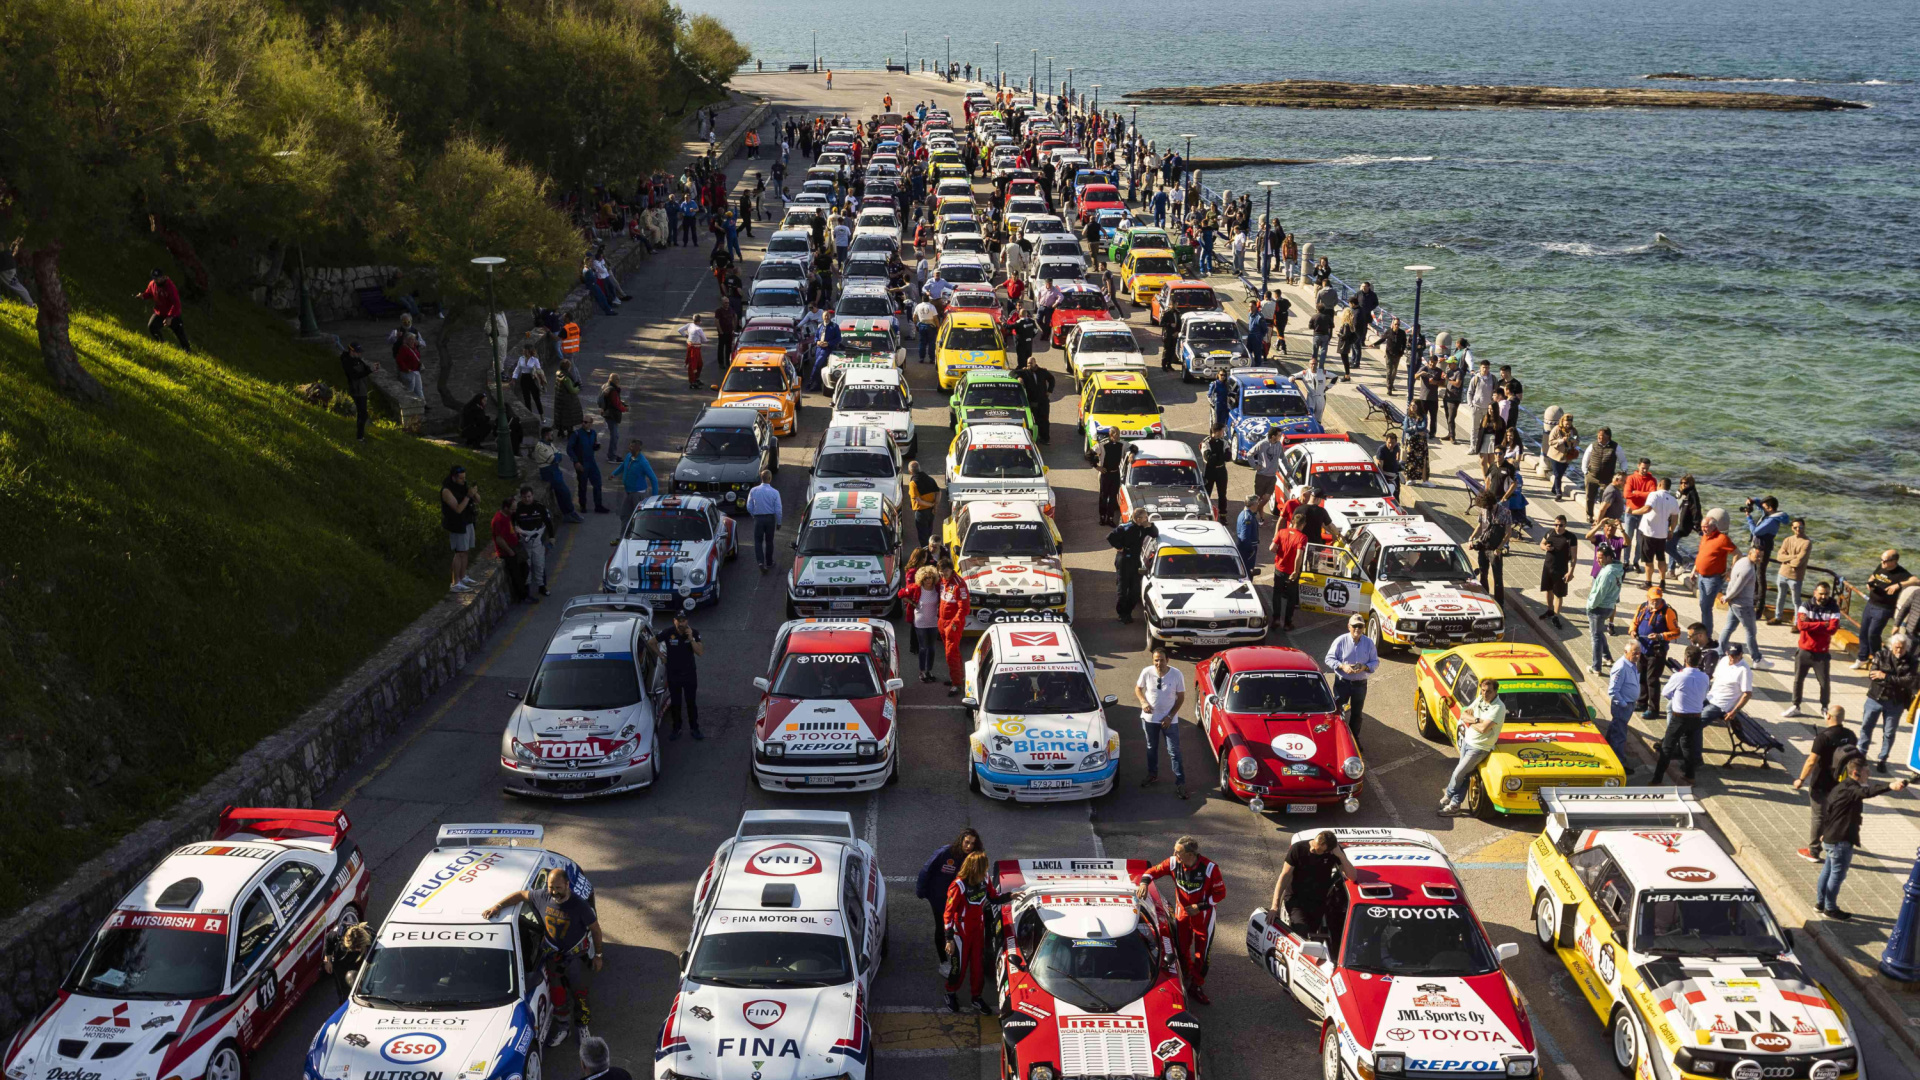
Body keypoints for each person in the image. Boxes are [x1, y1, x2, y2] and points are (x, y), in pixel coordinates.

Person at [481, 867, 603, 1044]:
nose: (554, 892)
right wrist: (498, 906)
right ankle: (563, 1028)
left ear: (567, 884)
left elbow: (596, 930)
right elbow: (520, 895)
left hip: (576, 958)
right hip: (554, 957)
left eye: (558, 888)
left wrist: (598, 954)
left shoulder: (580, 906)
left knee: (580, 994)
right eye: (551, 887)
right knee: (558, 995)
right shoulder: (542, 896)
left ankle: (583, 1027)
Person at [1814, 755, 1910, 920]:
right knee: (1836, 876)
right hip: (1840, 841)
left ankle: (1820, 903)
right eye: (1866, 771)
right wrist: (1889, 786)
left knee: (1827, 872)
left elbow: (1829, 811)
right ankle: (1830, 908)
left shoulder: (1840, 787)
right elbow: (1867, 792)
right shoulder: (1852, 790)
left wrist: (1824, 832)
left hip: (1830, 837)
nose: (1869, 773)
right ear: (1856, 773)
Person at [1135, 837, 1226, 1004]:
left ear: (1190, 854)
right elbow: (1151, 872)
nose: (1174, 854)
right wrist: (1144, 884)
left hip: (1203, 917)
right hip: (1182, 915)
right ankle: (1185, 973)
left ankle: (1196, 985)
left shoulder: (1210, 868)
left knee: (1202, 955)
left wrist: (1200, 906)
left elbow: (1220, 894)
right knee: (1181, 948)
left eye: (1178, 852)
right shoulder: (1172, 863)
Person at [1795, 705, 1857, 863]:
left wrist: (1801, 779)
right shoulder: (1851, 735)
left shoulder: (1823, 737)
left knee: (1819, 816)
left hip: (1821, 782)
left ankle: (1813, 851)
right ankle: (1836, 841)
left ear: (1828, 716)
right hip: (1841, 783)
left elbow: (1811, 761)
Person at [917, 828, 983, 974]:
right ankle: (943, 962)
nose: (969, 846)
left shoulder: (974, 856)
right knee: (942, 927)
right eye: (967, 842)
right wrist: (921, 890)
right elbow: (926, 870)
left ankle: (959, 953)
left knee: (959, 925)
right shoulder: (945, 852)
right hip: (939, 897)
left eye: (972, 844)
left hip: (959, 898)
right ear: (961, 840)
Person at [1269, 830, 1354, 938]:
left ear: (1328, 851)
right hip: (1296, 900)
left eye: (1316, 850)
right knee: (1302, 933)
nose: (1312, 849)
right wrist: (1275, 906)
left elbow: (1352, 876)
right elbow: (1284, 876)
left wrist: (1341, 856)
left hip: (1318, 902)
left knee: (1312, 935)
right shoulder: (1298, 849)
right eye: (1313, 844)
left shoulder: (1333, 853)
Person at [1441, 677, 1506, 815]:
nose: (1484, 694)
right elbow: (1464, 715)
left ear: (1495, 691)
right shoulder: (1481, 699)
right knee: (1464, 775)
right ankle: (1455, 806)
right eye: (1483, 690)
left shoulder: (1498, 708)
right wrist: (1477, 720)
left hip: (1479, 748)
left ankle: (1449, 795)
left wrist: (1471, 721)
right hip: (1468, 741)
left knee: (1459, 772)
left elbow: (1483, 729)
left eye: (1488, 691)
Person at [1649, 646, 1710, 783]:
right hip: (1696, 717)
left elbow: (1665, 693)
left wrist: (1676, 698)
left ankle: (1657, 779)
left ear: (1685, 659)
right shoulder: (1704, 677)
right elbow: (1704, 694)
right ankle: (1690, 776)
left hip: (1680, 717)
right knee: (1688, 747)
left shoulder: (1678, 677)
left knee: (1667, 748)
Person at [942, 852, 994, 1014]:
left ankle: (976, 997)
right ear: (974, 868)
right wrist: (949, 939)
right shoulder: (958, 886)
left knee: (978, 968)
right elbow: (948, 914)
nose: (986, 871)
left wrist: (1011, 896)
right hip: (961, 934)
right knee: (959, 968)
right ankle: (950, 992)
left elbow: (994, 897)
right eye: (983, 868)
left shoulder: (985, 879)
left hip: (978, 931)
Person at [1134, 646, 1188, 798]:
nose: (1159, 663)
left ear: (1167, 660)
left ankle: (1180, 783)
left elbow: (1181, 697)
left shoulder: (1176, 674)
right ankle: (1152, 775)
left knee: (1174, 752)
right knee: (1151, 748)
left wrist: (1170, 716)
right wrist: (1143, 702)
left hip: (1169, 721)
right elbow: (1138, 689)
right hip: (1150, 719)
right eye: (1156, 660)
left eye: (1162, 660)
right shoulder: (1146, 672)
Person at [1859, 633, 1918, 773]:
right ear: (1891, 646)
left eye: (1902, 648)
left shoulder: (1912, 661)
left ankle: (1883, 759)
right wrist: (1896, 681)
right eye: (1897, 647)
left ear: (1907, 647)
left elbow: (1909, 681)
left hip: (1895, 702)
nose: (1899, 650)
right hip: (1875, 698)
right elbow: (1872, 676)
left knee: (1889, 732)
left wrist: (1885, 676)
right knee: (1866, 727)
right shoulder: (1880, 655)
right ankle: (1861, 754)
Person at [1784, 581, 1842, 717]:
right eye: (1821, 594)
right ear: (1815, 592)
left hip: (1822, 653)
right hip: (1804, 650)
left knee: (1824, 682)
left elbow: (1832, 629)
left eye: (1826, 594)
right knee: (1798, 680)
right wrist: (1823, 624)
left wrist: (1812, 625)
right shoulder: (1806, 606)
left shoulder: (1834, 608)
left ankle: (1824, 707)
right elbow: (1801, 626)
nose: (1823, 597)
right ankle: (1796, 705)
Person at [1325, 615, 1379, 742]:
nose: (1357, 629)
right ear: (1349, 626)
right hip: (1342, 683)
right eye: (1354, 626)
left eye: (1360, 626)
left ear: (1364, 628)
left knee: (1357, 714)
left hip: (1360, 685)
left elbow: (1375, 662)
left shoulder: (1369, 643)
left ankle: (1354, 740)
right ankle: (1337, 738)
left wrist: (1365, 667)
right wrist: (1342, 666)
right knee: (1338, 712)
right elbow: (1329, 659)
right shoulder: (1340, 641)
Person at [651, 613, 705, 740]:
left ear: (687, 621)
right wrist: (661, 656)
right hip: (674, 674)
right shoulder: (668, 632)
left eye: (683, 620)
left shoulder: (694, 633)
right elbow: (651, 642)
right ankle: (676, 728)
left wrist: (691, 638)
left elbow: (700, 652)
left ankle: (694, 728)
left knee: (691, 702)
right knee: (676, 702)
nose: (681, 623)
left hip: (689, 674)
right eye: (679, 621)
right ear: (674, 621)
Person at [1855, 550, 1911, 668]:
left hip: (1883, 608)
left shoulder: (1901, 573)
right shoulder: (1881, 566)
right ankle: (1862, 658)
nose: (1882, 563)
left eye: (1885, 561)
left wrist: (1898, 585)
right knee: (1863, 631)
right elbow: (1873, 576)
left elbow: (1916, 581)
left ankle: (1878, 659)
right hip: (1871, 603)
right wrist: (1870, 583)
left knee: (1873, 634)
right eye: (1881, 560)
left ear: (1894, 561)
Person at [1718, 546, 1766, 665]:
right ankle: (1757, 659)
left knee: (1729, 628)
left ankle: (1720, 653)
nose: (1759, 558)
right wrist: (1727, 597)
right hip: (1743, 606)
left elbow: (1732, 581)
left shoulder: (1741, 561)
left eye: (1761, 556)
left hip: (1734, 603)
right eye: (1757, 556)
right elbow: (1737, 587)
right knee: (1751, 632)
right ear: (1750, 553)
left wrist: (1728, 597)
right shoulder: (1748, 569)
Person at [1109, 509, 1158, 623]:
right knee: (1123, 589)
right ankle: (1122, 614)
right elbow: (1111, 537)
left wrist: (1150, 525)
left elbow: (1155, 534)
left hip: (1135, 560)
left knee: (1135, 590)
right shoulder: (1125, 527)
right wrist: (1120, 547)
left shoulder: (1144, 527)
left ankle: (1128, 612)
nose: (1147, 519)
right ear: (1138, 519)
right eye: (1145, 517)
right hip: (1124, 560)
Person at [899, 566, 944, 681]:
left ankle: (929, 671)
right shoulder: (916, 588)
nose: (928, 580)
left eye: (930, 578)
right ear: (921, 579)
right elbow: (901, 594)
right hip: (920, 623)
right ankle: (922, 672)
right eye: (925, 578)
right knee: (923, 647)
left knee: (932, 648)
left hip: (934, 622)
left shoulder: (937, 588)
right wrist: (913, 603)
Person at [1603, 641, 1642, 773]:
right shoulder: (1621, 667)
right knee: (1620, 735)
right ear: (1626, 652)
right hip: (1622, 706)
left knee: (1616, 728)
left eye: (1639, 653)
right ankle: (1619, 764)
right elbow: (1613, 691)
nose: (1637, 656)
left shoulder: (1632, 664)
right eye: (1634, 653)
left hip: (1629, 703)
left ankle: (1606, 749)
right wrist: (1624, 704)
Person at [509, 486, 555, 598]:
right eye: (524, 497)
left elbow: (548, 522)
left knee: (540, 564)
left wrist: (552, 537)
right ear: (521, 497)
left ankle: (542, 586)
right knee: (526, 567)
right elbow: (512, 525)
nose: (527, 499)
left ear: (532, 495)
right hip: (524, 543)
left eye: (529, 496)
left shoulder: (540, 507)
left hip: (537, 541)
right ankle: (526, 589)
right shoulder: (517, 509)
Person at [1693, 515, 1736, 628]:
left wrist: (1730, 570)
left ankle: (1707, 633)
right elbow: (1701, 554)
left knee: (1706, 607)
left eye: (1706, 527)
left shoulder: (1723, 539)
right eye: (1702, 526)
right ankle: (1704, 629)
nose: (1703, 529)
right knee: (1703, 605)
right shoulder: (1705, 536)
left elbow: (1737, 554)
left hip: (1713, 578)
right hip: (1701, 576)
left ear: (1714, 526)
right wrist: (1694, 570)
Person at [441, 465, 480, 592]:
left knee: (466, 551)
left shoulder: (463, 486)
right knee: (459, 553)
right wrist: (468, 496)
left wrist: (474, 493)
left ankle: (463, 576)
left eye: (464, 478)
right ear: (453, 477)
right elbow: (457, 509)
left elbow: (478, 500)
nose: (463, 480)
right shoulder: (447, 491)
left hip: (468, 521)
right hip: (457, 525)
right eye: (461, 478)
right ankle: (455, 582)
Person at [1587, 546, 1625, 674]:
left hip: (1599, 608)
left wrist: (1591, 605)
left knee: (1595, 637)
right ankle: (1607, 657)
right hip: (1609, 607)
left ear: (1609, 557)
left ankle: (1596, 667)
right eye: (1597, 557)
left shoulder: (1607, 573)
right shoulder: (1617, 569)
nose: (1597, 560)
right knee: (1599, 633)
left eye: (1600, 558)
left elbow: (1600, 593)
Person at [1537, 515, 1579, 628]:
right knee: (1548, 590)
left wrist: (1571, 572)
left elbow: (1574, 557)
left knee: (1559, 594)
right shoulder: (1550, 533)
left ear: (1565, 525)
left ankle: (1556, 616)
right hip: (1548, 566)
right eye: (1556, 524)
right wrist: (1545, 548)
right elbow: (1541, 544)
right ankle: (1550, 610)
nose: (1558, 527)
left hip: (1561, 569)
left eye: (1560, 525)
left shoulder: (1571, 537)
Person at [1638, 477, 1680, 588]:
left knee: (1648, 560)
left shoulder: (1654, 495)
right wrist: (1671, 530)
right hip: (1662, 534)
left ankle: (1648, 582)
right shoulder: (1673, 500)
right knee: (1661, 558)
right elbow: (1675, 518)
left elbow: (1647, 508)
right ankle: (1662, 582)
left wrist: (1633, 511)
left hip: (1649, 532)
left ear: (1660, 484)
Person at [936, 561, 971, 694]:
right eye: (941, 572)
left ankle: (957, 684)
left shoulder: (959, 584)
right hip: (942, 621)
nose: (943, 574)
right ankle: (958, 678)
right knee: (952, 652)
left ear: (951, 569)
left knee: (951, 654)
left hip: (953, 624)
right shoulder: (941, 581)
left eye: (946, 571)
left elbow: (964, 608)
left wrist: (954, 624)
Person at [137, 269, 191, 351]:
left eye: (157, 278)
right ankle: (161, 344)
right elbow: (149, 293)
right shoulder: (152, 284)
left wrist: (170, 317)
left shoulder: (170, 287)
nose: (155, 280)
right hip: (160, 313)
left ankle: (187, 351)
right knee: (152, 327)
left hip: (173, 315)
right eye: (154, 278)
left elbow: (176, 304)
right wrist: (143, 296)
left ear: (163, 277)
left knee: (180, 335)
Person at [1771, 518, 1812, 624]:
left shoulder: (1807, 542)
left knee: (1796, 601)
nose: (1798, 529)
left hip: (1795, 577)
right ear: (1792, 528)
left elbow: (1797, 563)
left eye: (1800, 527)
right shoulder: (1787, 540)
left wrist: (1786, 559)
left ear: (1804, 527)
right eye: (1795, 527)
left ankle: (1797, 623)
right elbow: (1779, 557)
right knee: (1780, 597)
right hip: (1782, 574)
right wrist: (1793, 557)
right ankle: (1778, 617)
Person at [489, 496, 530, 602]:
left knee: (525, 569)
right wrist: (509, 551)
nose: (514, 511)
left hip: (515, 546)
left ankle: (522, 592)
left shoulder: (507, 515)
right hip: (508, 551)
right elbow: (499, 539)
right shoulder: (498, 520)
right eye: (512, 509)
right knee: (516, 574)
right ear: (506, 508)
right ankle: (522, 596)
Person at [321, 920, 372, 1003]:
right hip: (341, 962)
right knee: (343, 989)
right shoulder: (339, 932)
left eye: (359, 948)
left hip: (360, 962)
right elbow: (328, 939)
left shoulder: (371, 935)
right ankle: (344, 1002)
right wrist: (327, 961)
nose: (358, 950)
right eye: (355, 948)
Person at [1271, 518, 1307, 632]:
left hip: (1279, 568)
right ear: (1302, 524)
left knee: (1277, 594)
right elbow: (1299, 556)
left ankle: (1276, 619)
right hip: (1291, 572)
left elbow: (1271, 548)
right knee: (1291, 597)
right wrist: (1296, 571)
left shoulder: (1282, 532)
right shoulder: (1302, 537)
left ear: (1292, 522)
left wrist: (1281, 553)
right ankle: (1287, 623)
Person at [567, 422, 609, 514]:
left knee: (597, 483)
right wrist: (576, 461)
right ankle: (583, 506)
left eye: (586, 422)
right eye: (583, 422)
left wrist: (596, 447)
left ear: (590, 424)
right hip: (582, 463)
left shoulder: (593, 433)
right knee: (582, 485)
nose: (583, 423)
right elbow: (569, 448)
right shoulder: (576, 434)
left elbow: (593, 446)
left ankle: (598, 505)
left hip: (591, 462)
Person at [745, 469, 782, 572]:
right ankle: (769, 562)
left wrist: (754, 515)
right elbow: (778, 509)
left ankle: (760, 562)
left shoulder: (753, 490)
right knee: (769, 541)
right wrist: (779, 522)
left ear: (761, 478)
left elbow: (749, 506)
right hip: (770, 519)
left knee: (758, 541)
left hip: (758, 519)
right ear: (770, 478)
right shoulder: (775, 492)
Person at [614, 439, 658, 523]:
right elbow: (623, 466)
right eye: (630, 446)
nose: (629, 448)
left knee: (639, 519)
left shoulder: (643, 463)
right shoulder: (628, 456)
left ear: (638, 449)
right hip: (628, 492)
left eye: (632, 447)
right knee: (624, 515)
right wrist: (614, 474)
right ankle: (625, 531)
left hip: (638, 494)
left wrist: (654, 498)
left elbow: (654, 479)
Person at [1247, 426, 1288, 516]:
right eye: (1279, 435)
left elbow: (1283, 458)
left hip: (1272, 476)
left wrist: (1288, 469)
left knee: (1267, 498)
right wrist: (1255, 466)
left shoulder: (1278, 445)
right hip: (1261, 476)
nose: (1280, 437)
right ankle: (1260, 517)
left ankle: (1252, 512)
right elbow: (1249, 454)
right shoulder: (1262, 444)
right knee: (1258, 498)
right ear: (1273, 436)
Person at [338, 341, 374, 441]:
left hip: (362, 388)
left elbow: (366, 368)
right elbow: (354, 376)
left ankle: (360, 435)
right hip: (356, 390)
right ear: (351, 351)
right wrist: (369, 371)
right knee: (363, 414)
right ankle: (360, 437)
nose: (360, 354)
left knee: (362, 414)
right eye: (358, 352)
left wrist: (371, 368)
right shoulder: (347, 362)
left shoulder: (358, 359)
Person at [1018, 358, 1055, 444]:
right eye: (1028, 363)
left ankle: (1045, 438)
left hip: (1043, 401)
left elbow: (1051, 379)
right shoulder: (1025, 372)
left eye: (1031, 363)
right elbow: (1012, 373)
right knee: (1035, 420)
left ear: (1035, 363)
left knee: (1044, 420)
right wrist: (1018, 377)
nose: (1029, 365)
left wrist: (1049, 391)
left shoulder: (1042, 371)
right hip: (1033, 401)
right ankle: (1036, 436)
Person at [1096, 426, 1126, 526]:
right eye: (1116, 434)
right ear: (1111, 434)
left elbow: (1133, 448)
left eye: (1119, 434)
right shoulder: (1102, 444)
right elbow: (1089, 454)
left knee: (1113, 497)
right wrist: (1097, 467)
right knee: (1103, 496)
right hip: (1105, 474)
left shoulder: (1122, 444)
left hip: (1115, 474)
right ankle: (1102, 517)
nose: (1118, 436)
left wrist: (1132, 454)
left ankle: (1110, 518)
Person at [1200, 426, 1231, 515]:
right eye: (1222, 431)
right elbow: (1209, 459)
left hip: (1221, 470)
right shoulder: (1206, 442)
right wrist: (1221, 456)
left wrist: (1216, 456)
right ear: (1217, 432)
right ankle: (1205, 512)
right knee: (1207, 493)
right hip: (1210, 471)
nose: (1223, 433)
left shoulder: (1224, 442)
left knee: (1222, 494)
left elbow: (1228, 457)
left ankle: (1223, 514)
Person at [680, 314, 708, 389]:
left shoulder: (689, 325)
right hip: (695, 349)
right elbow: (705, 340)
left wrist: (686, 336)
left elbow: (680, 330)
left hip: (691, 347)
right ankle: (692, 382)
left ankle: (695, 379)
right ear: (699, 321)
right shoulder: (699, 329)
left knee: (699, 364)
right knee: (694, 365)